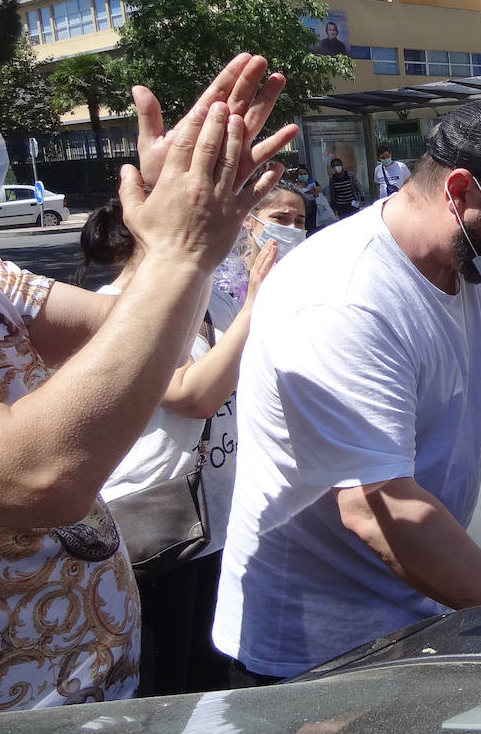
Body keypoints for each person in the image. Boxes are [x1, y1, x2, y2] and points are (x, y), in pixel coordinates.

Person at [213, 101, 481, 685]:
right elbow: (380, 509)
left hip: (416, 617)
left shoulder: (476, 274)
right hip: (312, 652)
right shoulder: (344, 296)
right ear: (460, 191)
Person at [0, 52, 294, 711]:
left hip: (106, 690)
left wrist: (183, 239)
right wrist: (180, 251)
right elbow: (42, 477)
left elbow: (125, 330)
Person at [76, 189, 284, 697]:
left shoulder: (213, 296)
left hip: (218, 524)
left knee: (214, 679)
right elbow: (194, 395)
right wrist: (256, 302)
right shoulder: (106, 311)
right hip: (154, 526)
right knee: (165, 688)